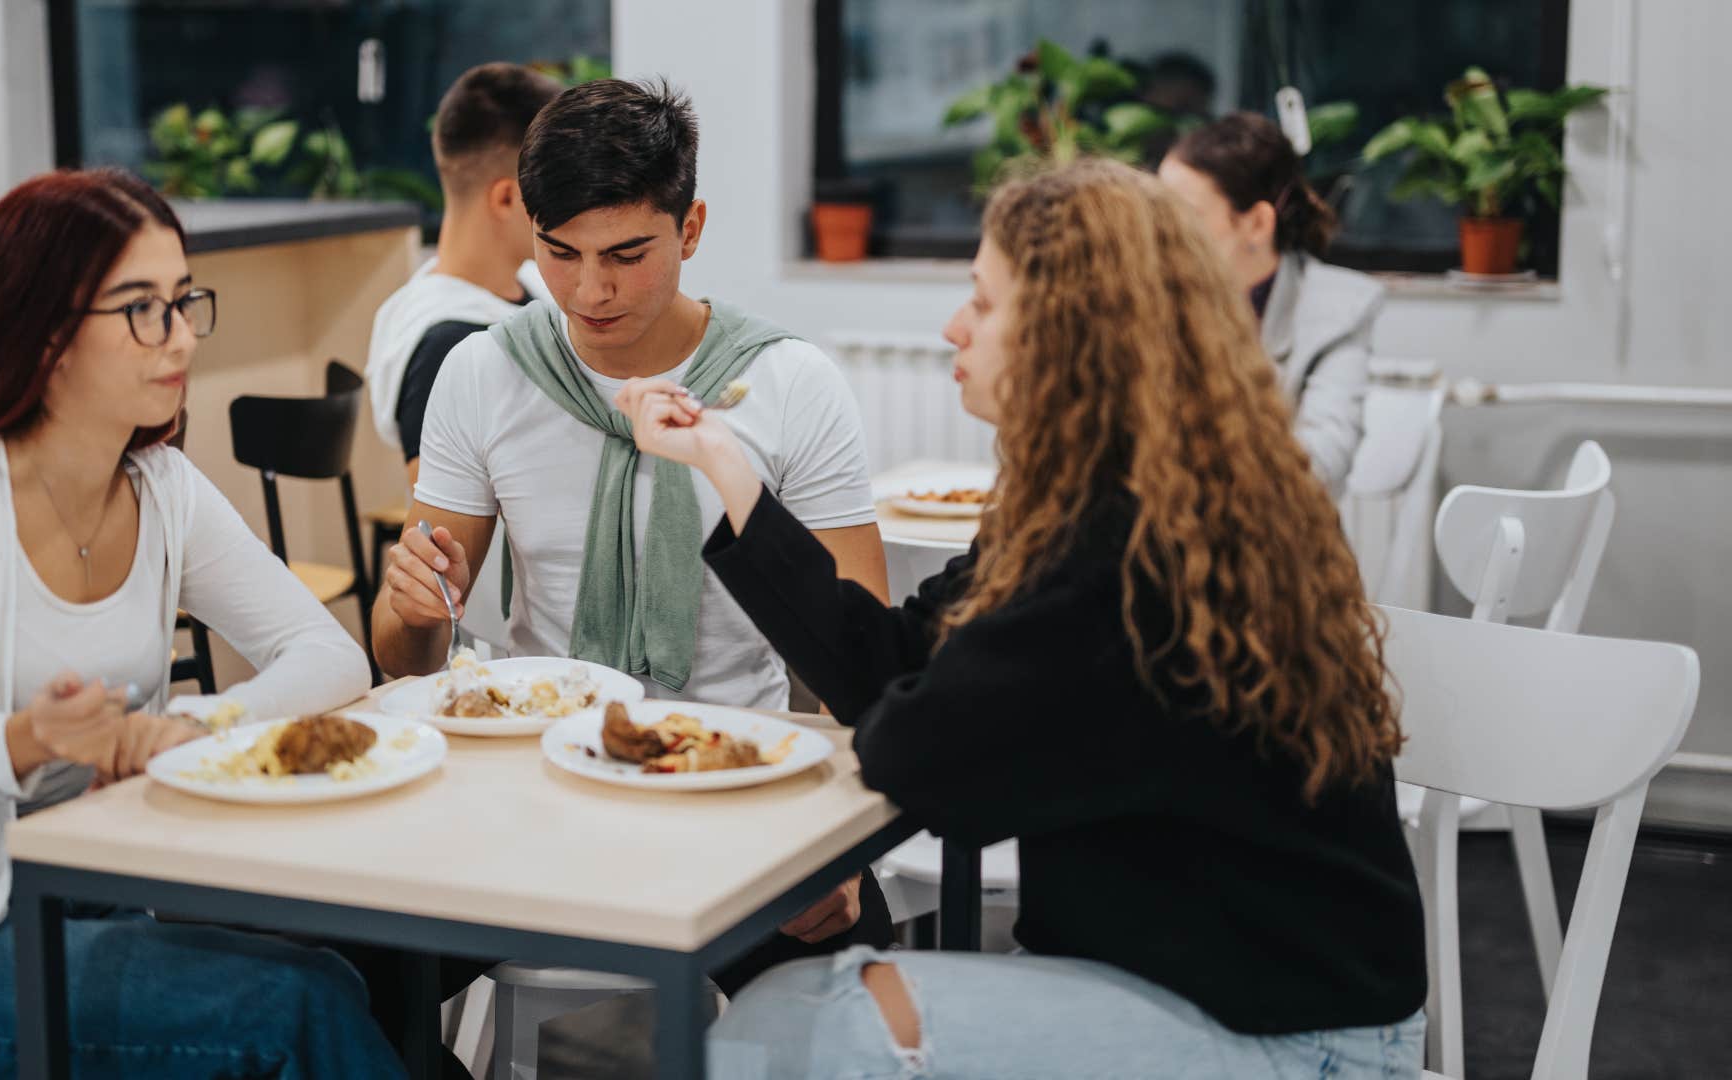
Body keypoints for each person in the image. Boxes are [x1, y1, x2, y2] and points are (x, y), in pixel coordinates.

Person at [613, 158, 1426, 1077]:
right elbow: (884, 664)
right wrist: (726, 466)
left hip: (1291, 1040)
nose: (955, 326)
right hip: (1199, 988)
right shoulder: (1112, 497)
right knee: (791, 1016)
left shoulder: (1127, 544)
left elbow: (912, 752)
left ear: (1069, 335)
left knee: (803, 1030)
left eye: (985, 303)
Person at [0, 168, 400, 1079]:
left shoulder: (157, 486)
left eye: (181, 302)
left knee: (365, 955)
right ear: (45, 333)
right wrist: (22, 740)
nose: (177, 339)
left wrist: (193, 728)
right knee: (299, 1007)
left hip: (96, 895)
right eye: (140, 310)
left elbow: (328, 652)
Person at [369, 77, 893, 1007]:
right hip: (530, 785)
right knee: (348, 963)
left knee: (855, 981)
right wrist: (413, 611)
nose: (590, 290)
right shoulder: (483, 372)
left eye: (626, 253)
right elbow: (406, 655)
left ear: (690, 229)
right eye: (558, 253)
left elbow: (872, 664)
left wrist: (836, 842)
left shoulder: (789, 383)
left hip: (731, 778)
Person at [1160, 111, 1382, 498]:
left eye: (1184, 218)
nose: (1160, 238)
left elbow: (1324, 464)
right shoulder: (1146, 297)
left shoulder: (1336, 309)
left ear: (1258, 224)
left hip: (1275, 542)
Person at [366, 61, 564, 483]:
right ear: (508, 198)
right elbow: (444, 532)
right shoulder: (445, 345)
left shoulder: (529, 286)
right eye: (562, 187)